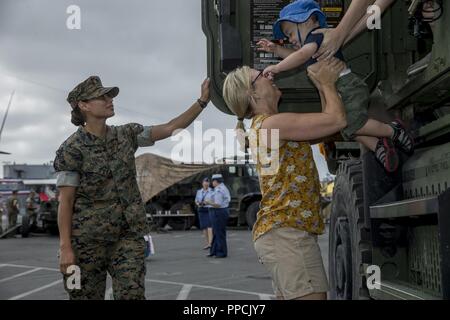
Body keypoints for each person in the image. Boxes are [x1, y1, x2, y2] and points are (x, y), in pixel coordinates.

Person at [55, 75, 210, 300]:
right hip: (85, 243)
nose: (110, 100)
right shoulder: (71, 149)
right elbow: (65, 202)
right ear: (84, 105)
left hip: (127, 239)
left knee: (133, 295)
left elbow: (170, 128)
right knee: (81, 296)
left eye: (110, 96)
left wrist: (202, 102)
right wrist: (66, 248)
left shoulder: (126, 135)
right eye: (102, 97)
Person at [222, 58, 347, 300]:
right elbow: (337, 120)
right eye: (261, 75)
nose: (269, 75)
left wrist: (323, 86)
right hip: (287, 235)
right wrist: (326, 82)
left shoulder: (267, 126)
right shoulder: (272, 125)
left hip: (283, 235)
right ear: (252, 93)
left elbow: (329, 127)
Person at [257, 0, 414, 172]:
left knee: (351, 122)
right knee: (345, 127)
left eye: (290, 33)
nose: (290, 39)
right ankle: (379, 146)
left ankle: (392, 131)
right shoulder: (312, 46)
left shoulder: (317, 35)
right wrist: (277, 51)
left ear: (308, 21)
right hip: (339, 89)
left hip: (348, 87)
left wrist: (277, 67)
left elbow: (300, 56)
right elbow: (298, 55)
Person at [204, 174, 231, 259]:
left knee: (219, 232)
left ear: (216, 181)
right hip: (218, 212)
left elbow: (218, 204)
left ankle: (221, 252)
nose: (212, 183)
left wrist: (208, 202)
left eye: (213, 181)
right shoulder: (220, 188)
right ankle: (214, 251)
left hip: (218, 212)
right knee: (216, 232)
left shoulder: (219, 190)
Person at [195, 177, 213, 250]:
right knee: (204, 227)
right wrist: (198, 203)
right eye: (205, 182)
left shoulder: (212, 191)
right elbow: (196, 200)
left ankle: (211, 243)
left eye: (207, 182)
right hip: (201, 209)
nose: (206, 184)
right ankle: (207, 243)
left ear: (209, 183)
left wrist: (207, 202)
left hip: (209, 209)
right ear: (202, 183)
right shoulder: (199, 191)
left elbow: (213, 199)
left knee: (209, 226)